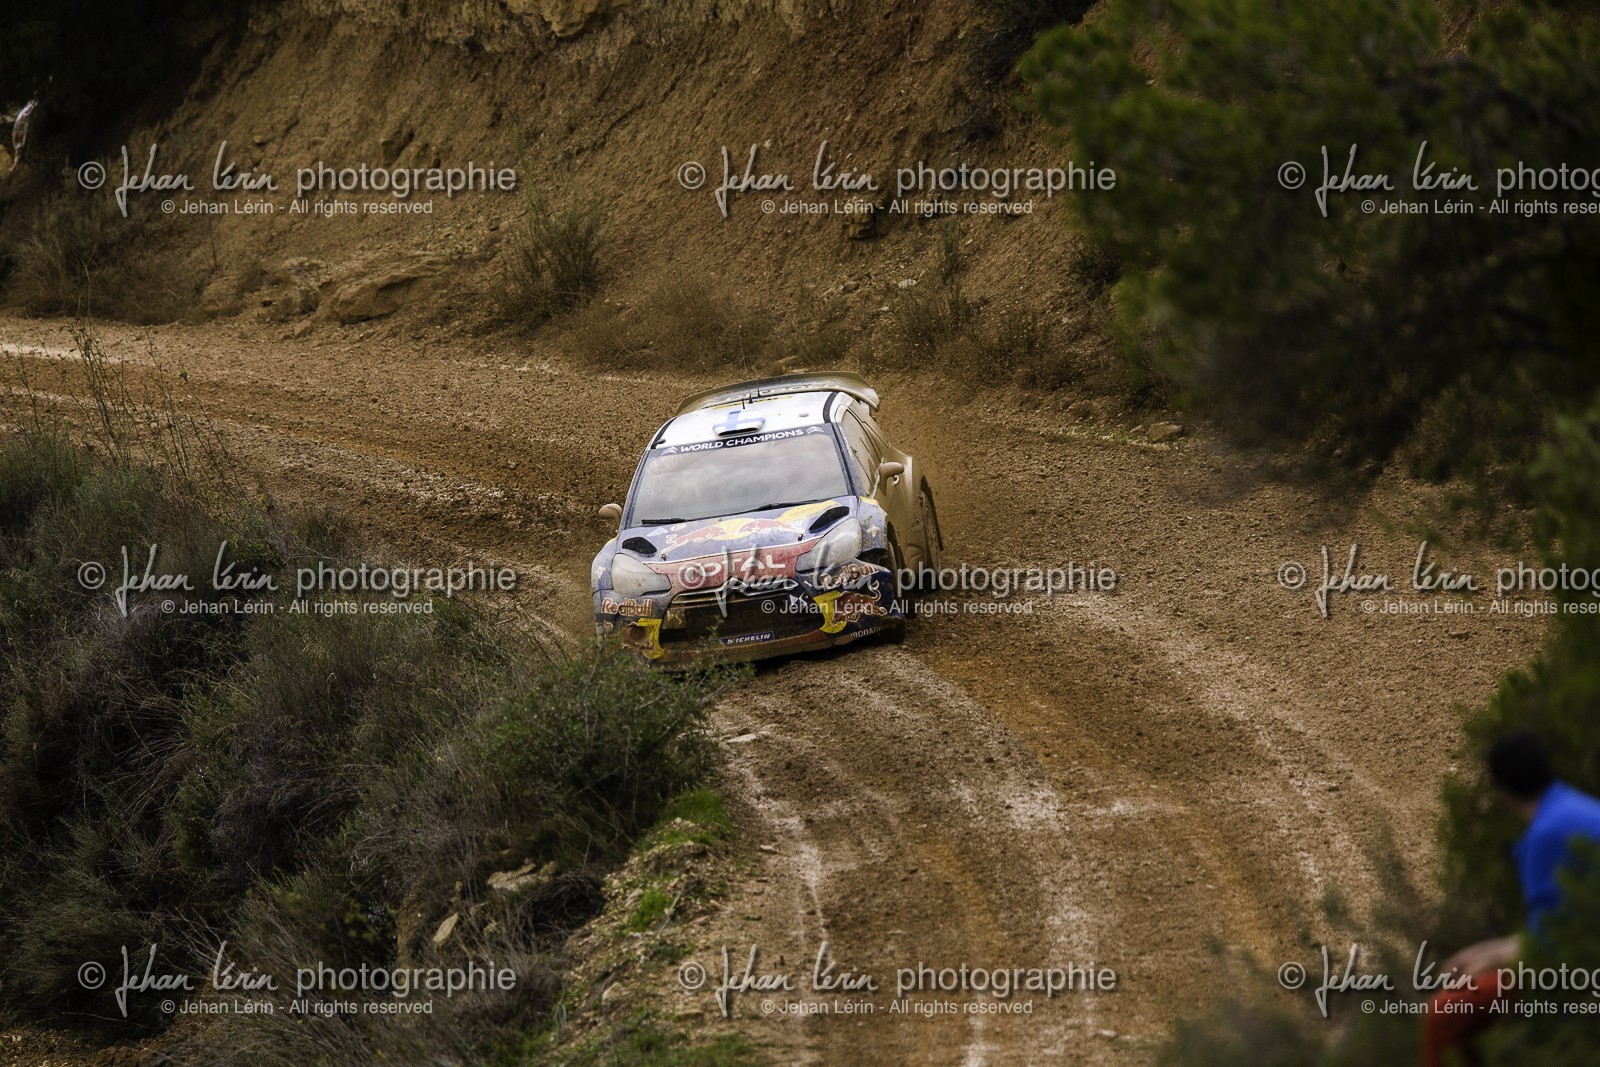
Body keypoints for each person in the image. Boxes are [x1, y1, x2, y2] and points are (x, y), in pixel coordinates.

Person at [1422, 730, 1600, 1067]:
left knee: (1443, 1013)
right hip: (1584, 947)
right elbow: (1559, 921)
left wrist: (1492, 960)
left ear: (1503, 790)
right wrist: (1490, 951)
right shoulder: (1572, 806)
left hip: (1583, 965)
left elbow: (1548, 945)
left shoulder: (1545, 835)